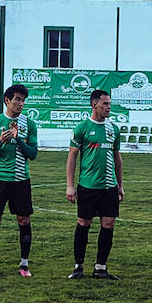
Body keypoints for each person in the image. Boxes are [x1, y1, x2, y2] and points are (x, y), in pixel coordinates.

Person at [0, 84, 39, 278]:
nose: (21, 104)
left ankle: (24, 264)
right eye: (17, 100)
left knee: (23, 220)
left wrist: (19, 140)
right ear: (7, 100)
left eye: (23, 100)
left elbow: (33, 154)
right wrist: (1, 141)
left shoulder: (29, 124)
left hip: (20, 179)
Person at [66, 89, 123, 280]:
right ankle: (78, 266)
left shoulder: (113, 129)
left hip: (109, 186)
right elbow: (72, 156)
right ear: (94, 105)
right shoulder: (82, 128)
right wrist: (70, 185)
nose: (109, 107)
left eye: (110, 104)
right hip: (88, 186)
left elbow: (117, 158)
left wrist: (120, 185)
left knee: (108, 224)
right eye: (105, 104)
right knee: (84, 223)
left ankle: (100, 267)